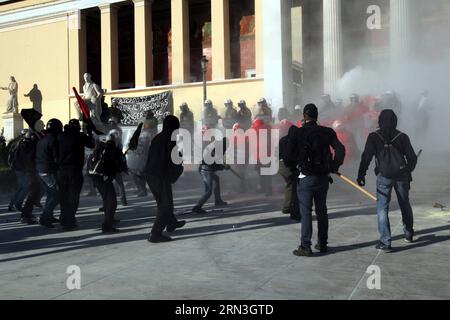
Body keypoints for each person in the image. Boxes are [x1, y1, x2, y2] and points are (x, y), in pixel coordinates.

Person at [286, 104, 345, 256]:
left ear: (305, 116)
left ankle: (305, 246)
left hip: (305, 177)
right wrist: (334, 165)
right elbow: (340, 149)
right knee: (322, 210)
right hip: (323, 177)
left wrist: (293, 168)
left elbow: (288, 156)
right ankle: (323, 243)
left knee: (306, 212)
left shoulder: (298, 133)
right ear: (317, 116)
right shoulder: (327, 132)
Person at [357, 109, 417, 252]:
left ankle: (385, 242)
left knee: (382, 208)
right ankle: (408, 234)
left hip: (384, 176)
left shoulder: (374, 136)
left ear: (380, 120)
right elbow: (412, 158)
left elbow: (366, 157)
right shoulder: (402, 136)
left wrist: (361, 175)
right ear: (395, 121)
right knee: (405, 203)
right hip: (402, 175)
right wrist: (407, 170)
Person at [145, 115, 186, 243]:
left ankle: (171, 223)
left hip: (151, 173)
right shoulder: (170, 138)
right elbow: (174, 158)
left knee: (162, 202)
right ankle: (155, 234)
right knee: (166, 206)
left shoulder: (158, 137)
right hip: (160, 175)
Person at [57, 119, 95, 230]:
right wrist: (90, 132)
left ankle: (63, 217)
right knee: (73, 196)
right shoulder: (79, 136)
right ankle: (70, 220)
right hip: (74, 169)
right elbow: (91, 144)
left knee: (63, 196)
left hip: (61, 170)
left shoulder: (60, 136)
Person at [88, 133, 128, 233]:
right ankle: (107, 226)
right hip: (103, 177)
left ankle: (110, 219)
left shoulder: (100, 148)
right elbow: (120, 166)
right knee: (112, 202)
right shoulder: (115, 150)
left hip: (94, 176)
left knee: (107, 199)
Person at [36, 118, 63, 228]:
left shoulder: (42, 140)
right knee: (56, 195)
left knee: (51, 194)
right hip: (49, 171)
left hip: (41, 170)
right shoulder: (53, 140)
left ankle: (49, 216)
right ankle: (44, 217)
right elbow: (56, 158)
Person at [8, 130, 40, 224]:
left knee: (22, 187)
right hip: (23, 169)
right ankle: (17, 205)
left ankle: (13, 204)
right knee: (26, 187)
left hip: (18, 168)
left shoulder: (17, 142)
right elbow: (27, 159)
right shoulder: (24, 144)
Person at [192, 138, 230, 215]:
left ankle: (218, 200)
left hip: (205, 168)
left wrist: (223, 164)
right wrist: (223, 167)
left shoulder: (215, 146)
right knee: (208, 191)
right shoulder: (218, 148)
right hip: (206, 170)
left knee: (216, 179)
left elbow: (217, 160)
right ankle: (197, 207)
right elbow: (214, 164)